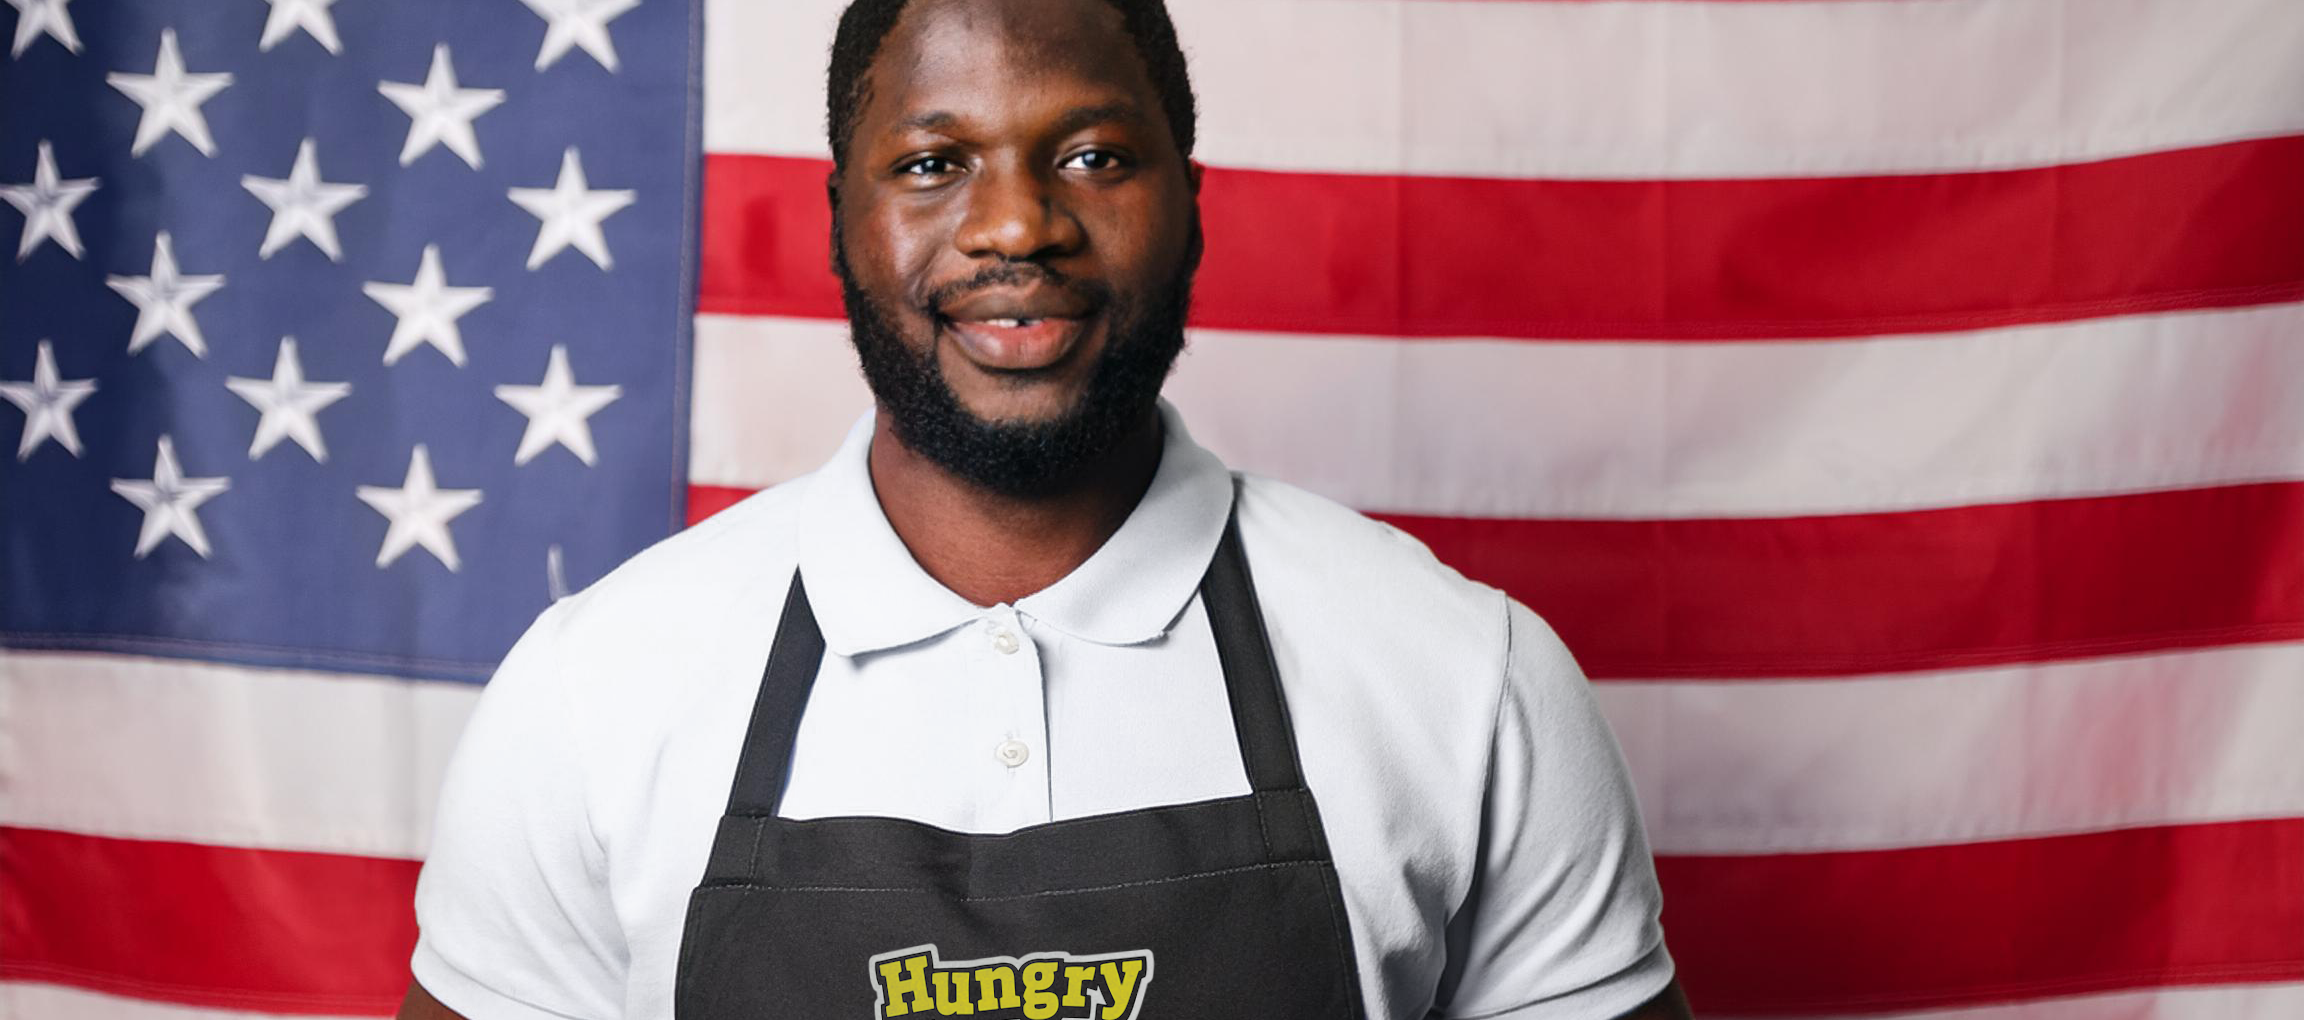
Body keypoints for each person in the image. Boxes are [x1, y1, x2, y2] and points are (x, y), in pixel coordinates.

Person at [399, 0, 1692, 1017]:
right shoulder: (595, 689)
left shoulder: (1468, 674)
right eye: (932, 161)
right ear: (839, 222)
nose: (1016, 223)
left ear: (1192, 203)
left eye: (1092, 155)